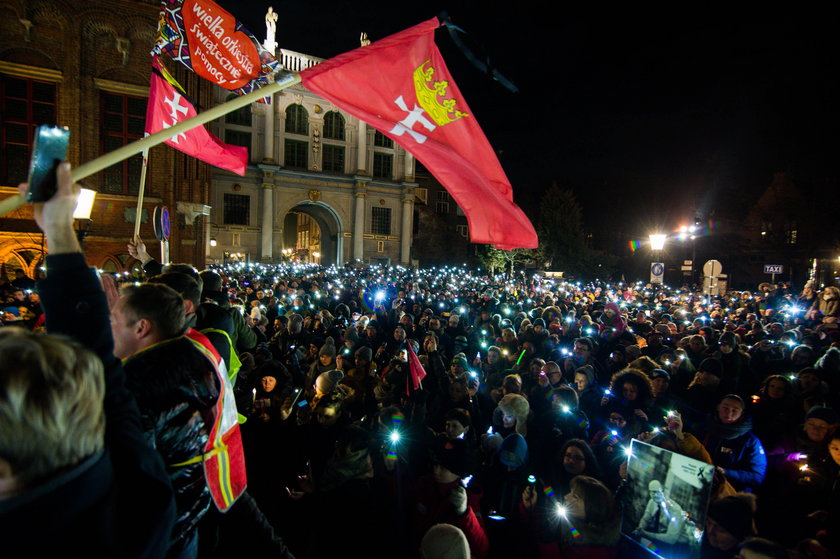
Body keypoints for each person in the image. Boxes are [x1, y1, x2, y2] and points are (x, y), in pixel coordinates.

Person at [0, 162, 176, 557]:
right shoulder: (138, 509)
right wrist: (61, 232)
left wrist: (60, 233)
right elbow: (104, 377)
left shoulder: (144, 498)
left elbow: (103, 379)